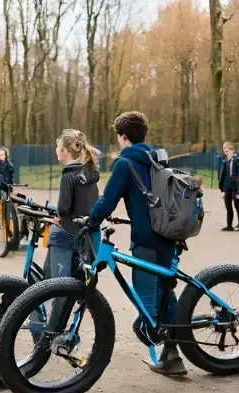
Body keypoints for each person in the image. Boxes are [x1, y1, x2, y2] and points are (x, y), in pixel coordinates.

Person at [89, 111, 185, 377]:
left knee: (147, 304)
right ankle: (173, 354)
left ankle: (164, 345)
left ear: (123, 136)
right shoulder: (157, 159)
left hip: (145, 240)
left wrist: (91, 221)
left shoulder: (125, 164)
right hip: (168, 233)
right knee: (165, 292)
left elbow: (108, 201)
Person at [47, 129, 100, 278]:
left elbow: (64, 208)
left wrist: (58, 215)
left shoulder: (68, 175)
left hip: (68, 232)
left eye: (58, 147)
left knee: (59, 280)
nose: (56, 150)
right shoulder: (90, 172)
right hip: (85, 233)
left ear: (65, 150)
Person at [218, 141, 239, 231]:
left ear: (232, 150)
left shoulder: (237, 161)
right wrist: (222, 188)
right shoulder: (226, 162)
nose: (225, 150)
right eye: (224, 148)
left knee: (238, 206)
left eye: (227, 148)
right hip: (227, 188)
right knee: (228, 206)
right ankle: (229, 226)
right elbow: (223, 176)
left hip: (236, 188)